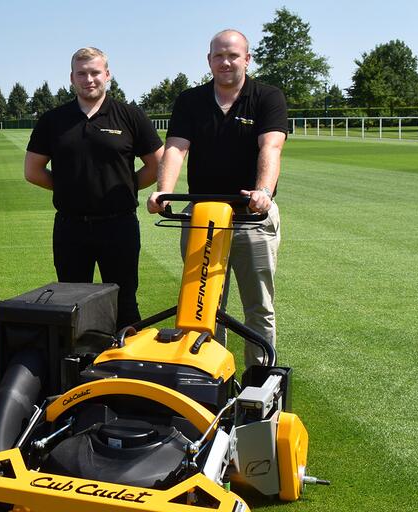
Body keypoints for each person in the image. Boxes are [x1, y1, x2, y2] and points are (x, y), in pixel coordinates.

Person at [146, 29, 288, 368]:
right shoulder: (190, 101)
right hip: (203, 216)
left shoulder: (267, 97)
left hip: (250, 218)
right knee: (203, 306)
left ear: (247, 59)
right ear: (209, 60)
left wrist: (263, 192)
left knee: (259, 307)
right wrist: (163, 190)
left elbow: (271, 146)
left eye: (233, 55)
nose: (226, 62)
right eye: (219, 56)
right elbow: (177, 147)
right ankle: (209, 376)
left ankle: (260, 380)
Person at [25, 47, 164, 329]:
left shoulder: (130, 115)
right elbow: (33, 171)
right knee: (71, 305)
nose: (89, 79)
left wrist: (126, 186)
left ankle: (125, 366)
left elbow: (158, 164)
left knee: (125, 302)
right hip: (70, 227)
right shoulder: (53, 120)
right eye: (82, 74)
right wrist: (68, 188)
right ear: (72, 78)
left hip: (119, 225)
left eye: (95, 73)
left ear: (107, 75)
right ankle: (77, 371)